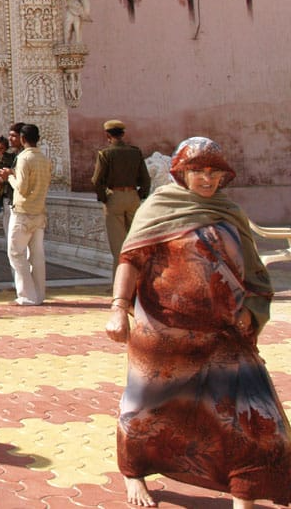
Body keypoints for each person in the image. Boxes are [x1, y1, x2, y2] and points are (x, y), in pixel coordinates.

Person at [105, 137, 290, 508]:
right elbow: (130, 259)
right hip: (162, 335)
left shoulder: (229, 211)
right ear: (181, 173)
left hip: (225, 335)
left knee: (250, 414)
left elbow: (252, 267)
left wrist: (250, 308)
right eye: (198, 172)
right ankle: (134, 472)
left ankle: (245, 493)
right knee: (148, 410)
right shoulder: (158, 208)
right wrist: (117, 306)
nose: (207, 179)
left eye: (213, 172)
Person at [1, 123, 52, 306]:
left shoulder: (24, 158)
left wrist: (10, 177)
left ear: (23, 139)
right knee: (37, 254)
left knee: (15, 252)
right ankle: (39, 293)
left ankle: (27, 295)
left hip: (23, 212)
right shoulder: (44, 159)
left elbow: (21, 188)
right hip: (39, 212)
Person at [90, 119, 152, 264]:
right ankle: (137, 282)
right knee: (136, 242)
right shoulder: (135, 152)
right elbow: (145, 178)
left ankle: (119, 284)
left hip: (115, 197)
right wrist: (140, 194)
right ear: (123, 134)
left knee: (118, 247)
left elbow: (97, 180)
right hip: (133, 197)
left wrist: (104, 198)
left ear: (107, 135)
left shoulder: (106, 154)